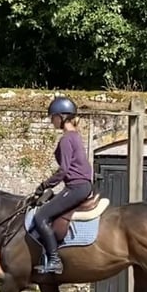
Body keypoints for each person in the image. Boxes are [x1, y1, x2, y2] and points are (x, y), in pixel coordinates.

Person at [31, 96, 94, 274]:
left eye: (53, 117)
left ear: (61, 117)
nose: (52, 121)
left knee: (41, 217)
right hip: (82, 185)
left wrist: (44, 185)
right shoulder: (75, 136)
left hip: (76, 187)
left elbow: (63, 170)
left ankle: (54, 260)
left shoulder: (66, 139)